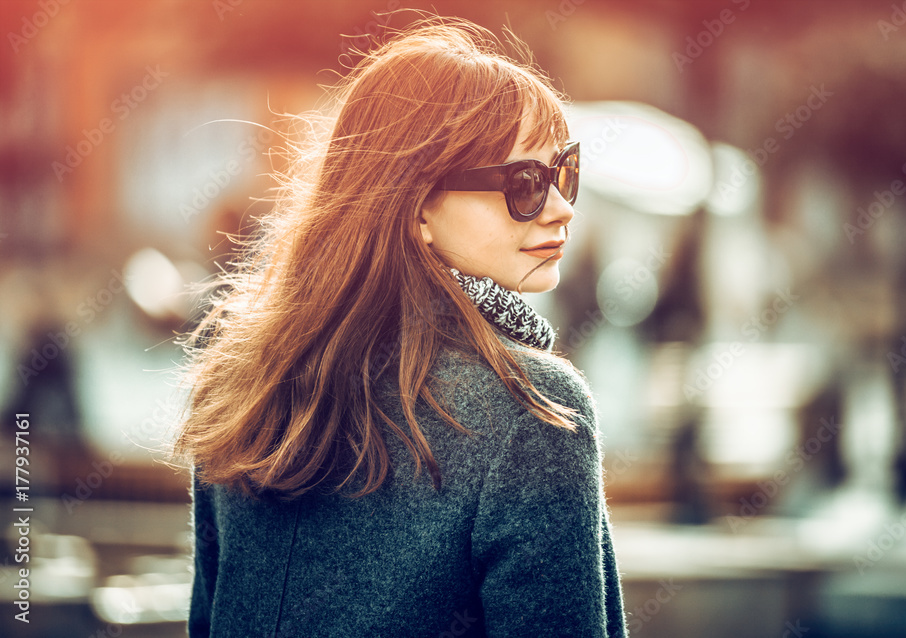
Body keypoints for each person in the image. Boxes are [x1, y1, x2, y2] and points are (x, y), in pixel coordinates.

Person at [173, 15, 628, 637]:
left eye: (563, 172)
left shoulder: (241, 391)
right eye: (526, 183)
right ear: (417, 209)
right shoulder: (530, 413)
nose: (561, 206)